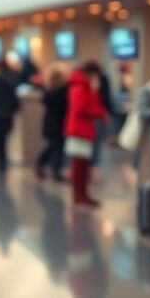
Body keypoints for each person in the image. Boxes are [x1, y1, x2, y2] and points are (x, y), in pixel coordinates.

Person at [65, 61, 109, 207]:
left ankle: (83, 194)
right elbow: (81, 109)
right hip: (79, 130)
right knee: (79, 165)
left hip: (85, 129)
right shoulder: (79, 88)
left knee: (84, 165)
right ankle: (79, 195)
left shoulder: (85, 87)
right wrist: (99, 112)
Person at [35, 63, 69, 182]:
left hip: (55, 123)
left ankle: (55, 169)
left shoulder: (50, 89)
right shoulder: (58, 91)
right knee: (54, 147)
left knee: (57, 147)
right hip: (55, 124)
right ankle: (44, 165)